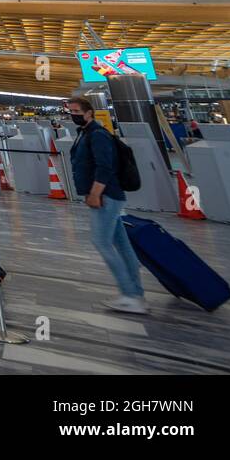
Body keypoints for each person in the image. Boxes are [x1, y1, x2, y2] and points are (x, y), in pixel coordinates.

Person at [66, 96, 147, 314]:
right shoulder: (85, 133)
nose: (73, 115)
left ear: (89, 112)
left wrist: (95, 193)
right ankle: (136, 293)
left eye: (76, 111)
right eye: (70, 111)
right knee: (122, 244)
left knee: (101, 242)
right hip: (107, 195)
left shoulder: (98, 135)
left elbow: (105, 166)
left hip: (106, 196)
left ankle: (129, 294)